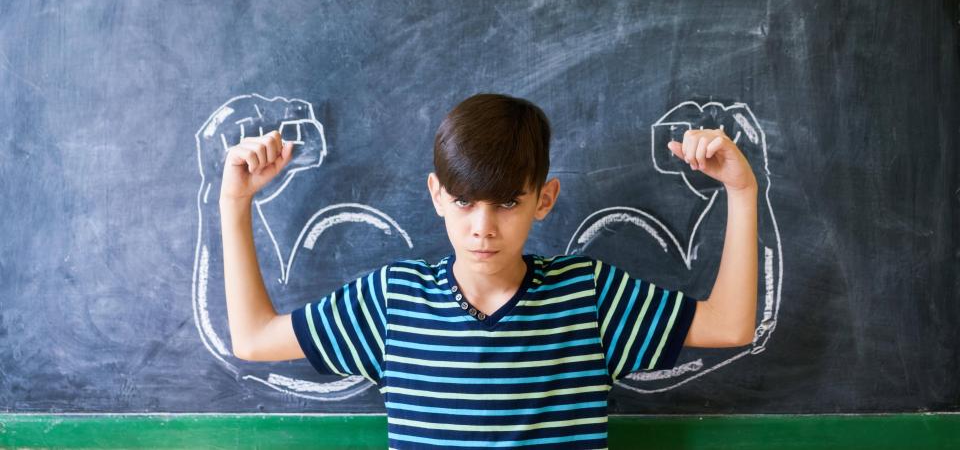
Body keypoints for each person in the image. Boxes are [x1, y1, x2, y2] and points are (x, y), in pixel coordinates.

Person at [219, 93, 758, 448]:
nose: (482, 227)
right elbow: (252, 337)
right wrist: (233, 200)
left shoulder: (588, 299)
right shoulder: (391, 303)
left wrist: (741, 189)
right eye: (464, 202)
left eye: (505, 204)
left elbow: (730, 325)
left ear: (543, 200)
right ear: (436, 195)